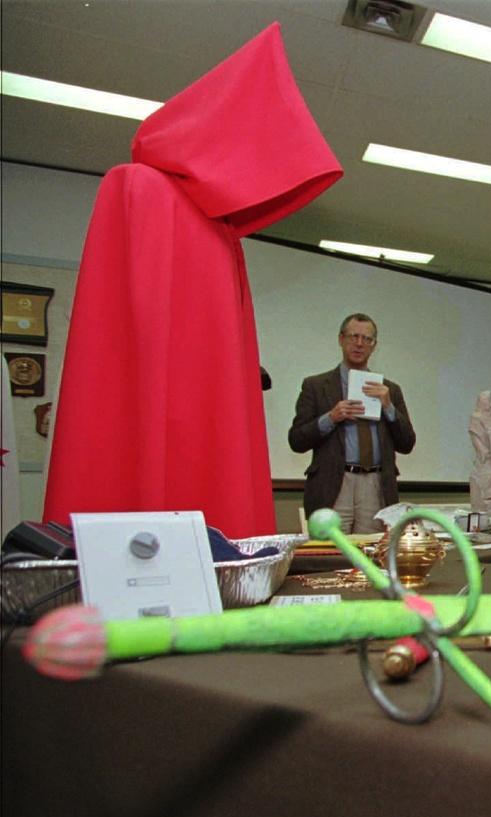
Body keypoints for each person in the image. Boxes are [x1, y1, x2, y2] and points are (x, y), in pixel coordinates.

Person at [42, 24, 342, 538]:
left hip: (200, 432)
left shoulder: (219, 231)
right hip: (150, 441)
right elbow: (137, 353)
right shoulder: (140, 188)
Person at [289, 314, 416, 534]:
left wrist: (389, 408)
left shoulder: (390, 390)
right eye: (353, 336)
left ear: (374, 346)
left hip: (375, 484)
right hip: (334, 484)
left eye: (367, 339)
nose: (359, 344)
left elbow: (407, 443)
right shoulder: (316, 385)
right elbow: (296, 440)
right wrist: (331, 418)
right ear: (341, 339)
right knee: (331, 554)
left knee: (371, 556)